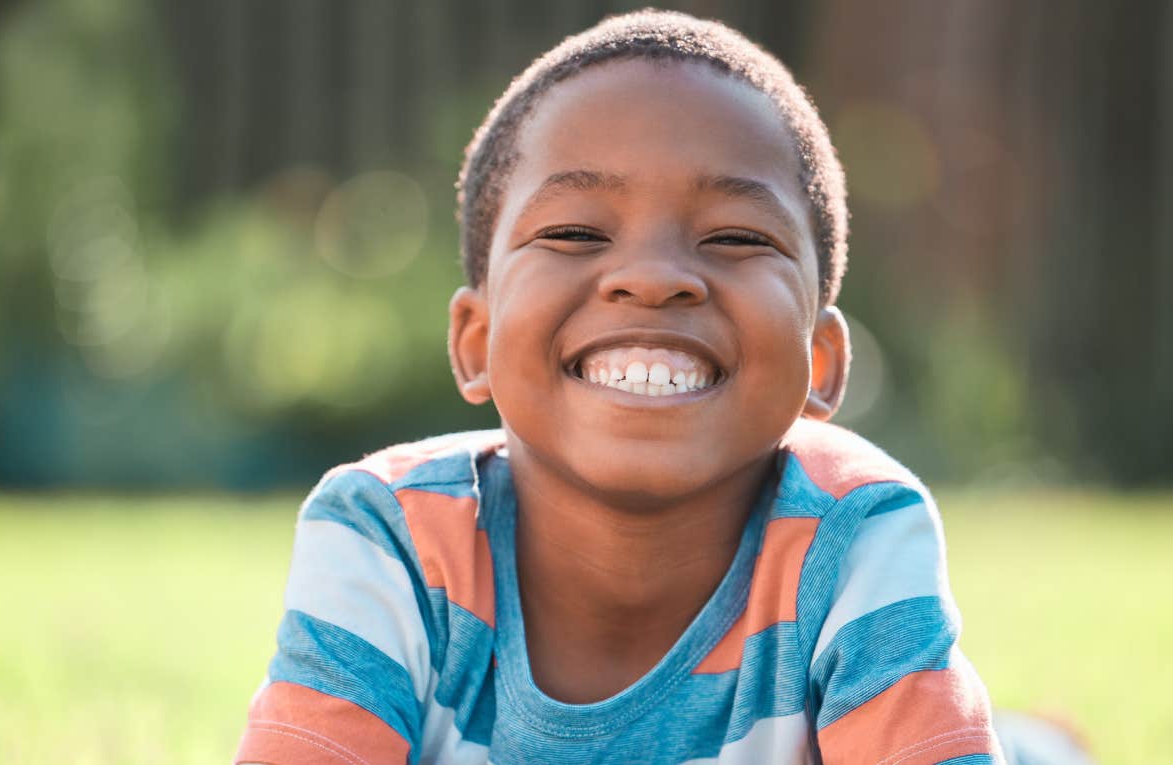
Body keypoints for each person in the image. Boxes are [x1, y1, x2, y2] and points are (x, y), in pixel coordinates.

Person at [235, 10, 1069, 764]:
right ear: (476, 343)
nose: (654, 276)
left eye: (736, 237)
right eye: (575, 231)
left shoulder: (853, 535)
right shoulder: (389, 539)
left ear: (820, 362)